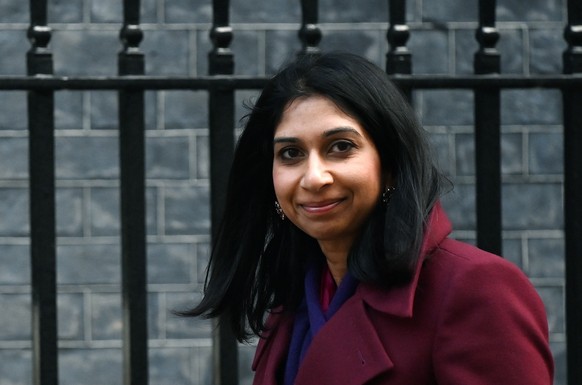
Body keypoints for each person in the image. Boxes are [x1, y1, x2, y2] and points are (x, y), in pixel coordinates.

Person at [184, 52, 554, 384]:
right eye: (291, 153)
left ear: (390, 166)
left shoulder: (475, 289)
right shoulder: (296, 300)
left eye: (341, 147)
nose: (314, 177)